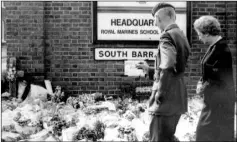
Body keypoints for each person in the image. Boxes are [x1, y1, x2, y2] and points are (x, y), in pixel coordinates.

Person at [136, 2, 190, 141]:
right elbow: (174, 67)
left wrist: (160, 93)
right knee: (167, 137)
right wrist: (149, 70)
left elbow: (167, 66)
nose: (155, 24)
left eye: (155, 20)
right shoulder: (181, 35)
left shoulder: (166, 36)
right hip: (177, 97)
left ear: (159, 18)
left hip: (165, 101)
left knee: (158, 138)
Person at [194, 15, 235, 141]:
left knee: (207, 135)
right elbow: (209, 72)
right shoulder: (215, 47)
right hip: (213, 101)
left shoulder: (222, 50)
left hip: (220, 104)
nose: (198, 37)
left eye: (199, 34)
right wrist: (201, 82)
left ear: (206, 33)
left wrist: (203, 86)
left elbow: (219, 77)